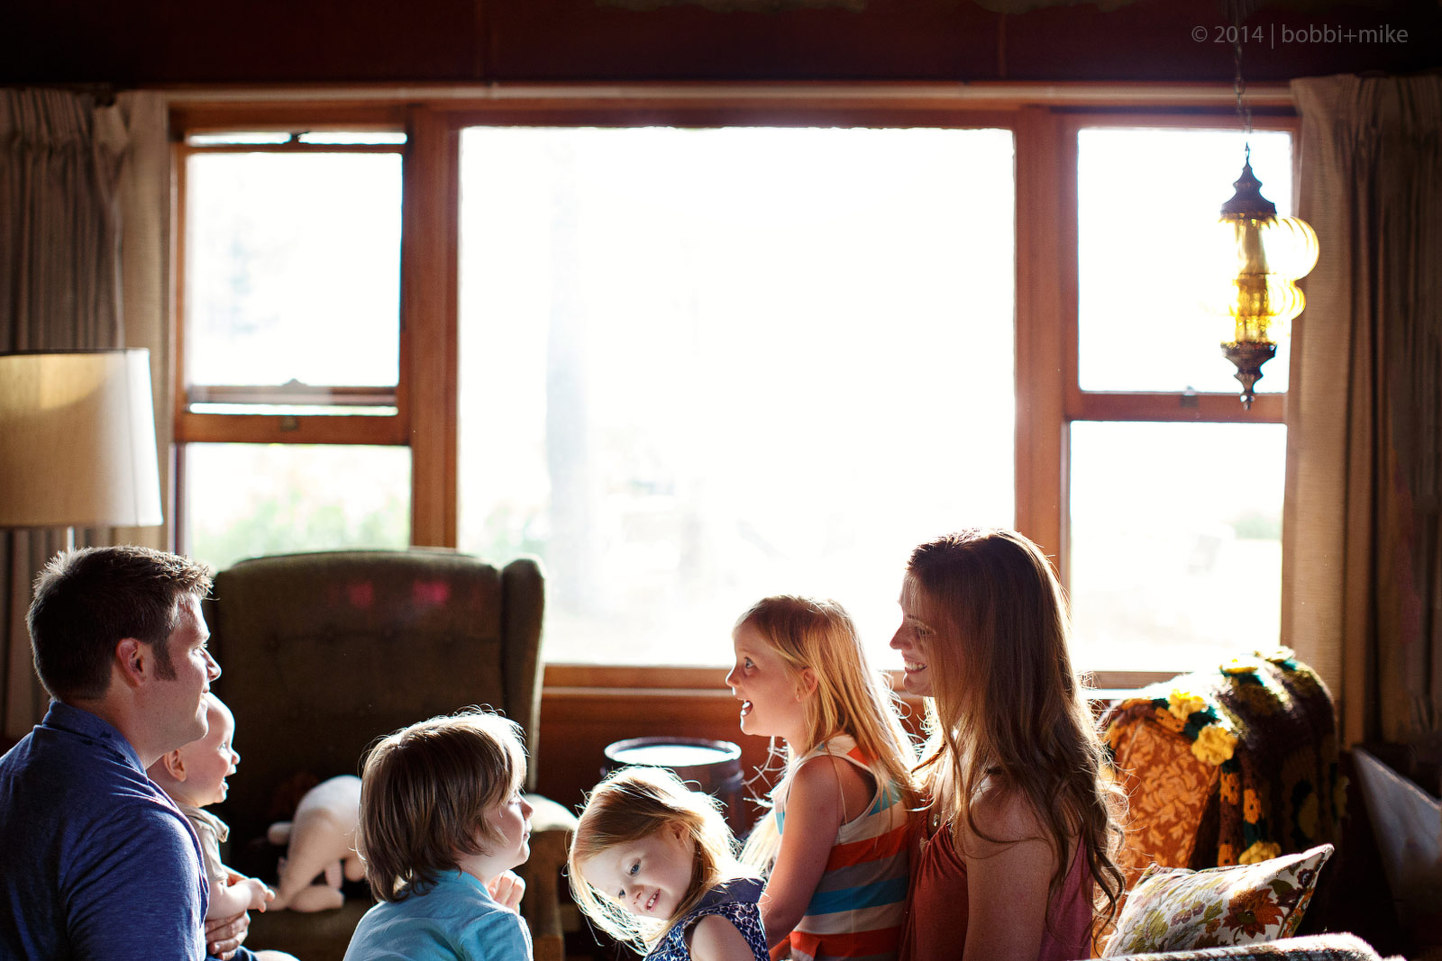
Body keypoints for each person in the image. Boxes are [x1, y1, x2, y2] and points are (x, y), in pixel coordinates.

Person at [0, 545, 251, 960]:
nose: (213, 668)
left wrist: (195, 903)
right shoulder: (142, 833)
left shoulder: (13, 771)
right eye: (196, 649)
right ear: (136, 661)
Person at [888, 529, 1126, 961]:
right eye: (904, 618)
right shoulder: (951, 750)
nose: (896, 641)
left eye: (920, 629)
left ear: (988, 645)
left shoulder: (1010, 810)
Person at [725, 595, 917, 961]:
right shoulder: (852, 756)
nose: (731, 678)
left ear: (805, 682)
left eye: (749, 664)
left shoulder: (822, 776)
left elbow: (778, 915)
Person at [343, 708, 534, 961]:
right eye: (511, 798)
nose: (529, 809)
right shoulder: (494, 926)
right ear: (458, 827)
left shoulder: (374, 922)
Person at [148, 693, 298, 961]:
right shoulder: (196, 825)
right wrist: (249, 892)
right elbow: (215, 903)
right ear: (177, 763)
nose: (235, 757)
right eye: (223, 746)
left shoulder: (149, 814)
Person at [569, 766, 768, 961]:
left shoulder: (711, 931)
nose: (631, 895)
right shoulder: (693, 927)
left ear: (677, 831)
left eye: (634, 869)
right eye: (620, 893)